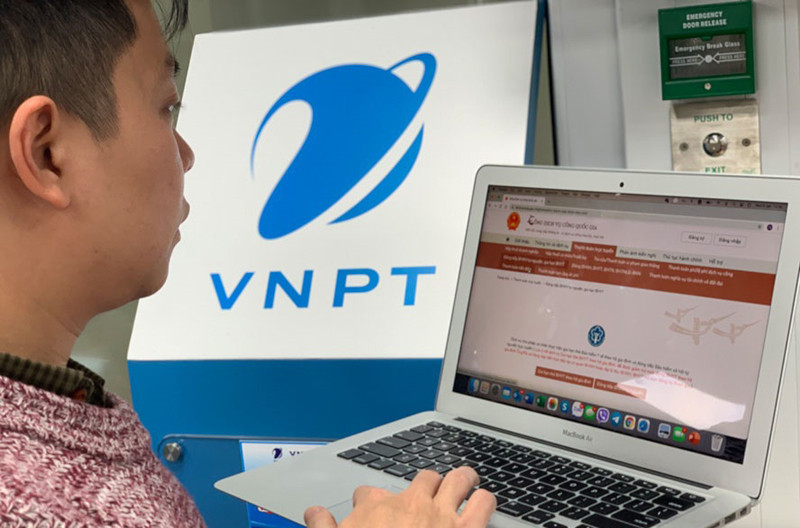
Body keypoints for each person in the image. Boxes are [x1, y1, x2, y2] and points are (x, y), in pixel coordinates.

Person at [0, 1, 497, 526]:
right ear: (47, 153)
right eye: (166, 108)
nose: (185, 154)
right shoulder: (39, 506)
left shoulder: (60, 416)